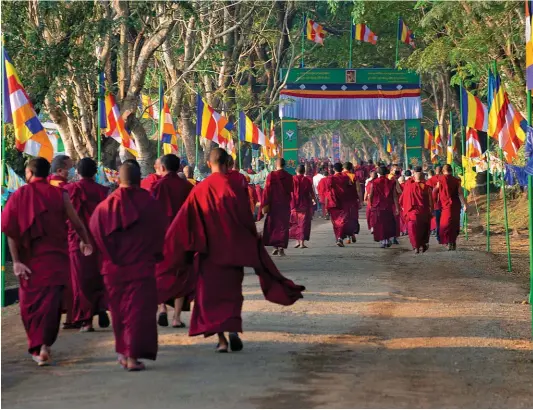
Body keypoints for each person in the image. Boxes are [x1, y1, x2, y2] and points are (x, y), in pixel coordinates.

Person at [157, 148, 305, 352]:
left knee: (212, 296)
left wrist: (171, 251)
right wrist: (251, 244)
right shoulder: (233, 187)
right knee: (232, 294)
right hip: (233, 253)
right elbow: (246, 220)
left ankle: (222, 341)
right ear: (227, 163)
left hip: (209, 255)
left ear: (209, 164)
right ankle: (233, 329)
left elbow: (184, 223)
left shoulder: (201, 189)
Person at [1, 158, 93, 366]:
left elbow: (10, 231)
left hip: (29, 263)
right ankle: (44, 346)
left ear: (29, 173)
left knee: (30, 307)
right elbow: (77, 222)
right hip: (55, 260)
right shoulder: (59, 194)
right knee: (51, 306)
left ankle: (37, 346)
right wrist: (86, 242)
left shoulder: (18, 197)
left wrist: (15, 261)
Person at [90, 160, 167, 371]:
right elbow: (161, 230)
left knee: (119, 312)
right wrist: (154, 254)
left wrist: (109, 255)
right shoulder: (150, 203)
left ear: (119, 179)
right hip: (141, 267)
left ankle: (123, 353)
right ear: (139, 178)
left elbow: (95, 231)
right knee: (138, 312)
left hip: (113, 268)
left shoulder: (106, 205)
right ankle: (132, 356)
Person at [65, 158, 110, 332]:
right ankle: (99, 306)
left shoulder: (70, 190)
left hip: (78, 241)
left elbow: (70, 219)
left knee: (81, 281)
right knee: (98, 277)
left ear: (77, 172)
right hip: (99, 240)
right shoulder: (103, 191)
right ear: (95, 172)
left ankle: (86, 320)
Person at [152, 154, 193, 329]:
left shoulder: (157, 186)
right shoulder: (187, 187)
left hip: (161, 237)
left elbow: (150, 212)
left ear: (162, 168)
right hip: (182, 237)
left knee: (160, 274)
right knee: (181, 276)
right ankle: (176, 318)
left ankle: (162, 308)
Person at [48, 155, 77, 329]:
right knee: (69, 280)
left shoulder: (41, 186)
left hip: (44, 242)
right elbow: (74, 218)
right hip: (65, 238)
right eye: (70, 167)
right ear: (60, 170)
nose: (72, 171)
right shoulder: (66, 189)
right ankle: (70, 318)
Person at [262, 158, 293, 256]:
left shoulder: (271, 175)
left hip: (273, 205)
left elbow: (267, 191)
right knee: (283, 226)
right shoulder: (289, 176)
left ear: (276, 164)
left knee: (274, 226)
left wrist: (264, 203)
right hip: (284, 205)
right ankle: (281, 248)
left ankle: (275, 247)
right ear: (285, 165)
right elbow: (290, 190)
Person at [400, 167, 433, 253]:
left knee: (412, 230)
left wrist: (404, 208)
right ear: (423, 178)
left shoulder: (409, 187)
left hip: (412, 212)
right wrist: (431, 211)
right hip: (424, 212)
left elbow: (402, 199)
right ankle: (423, 244)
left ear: (414, 177)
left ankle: (416, 247)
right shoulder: (427, 187)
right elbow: (430, 200)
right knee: (424, 229)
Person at [434, 164, 466, 250]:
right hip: (455, 205)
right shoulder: (456, 180)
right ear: (451, 171)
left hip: (445, 206)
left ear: (443, 171)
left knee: (446, 224)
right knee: (454, 224)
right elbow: (460, 193)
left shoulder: (440, 180)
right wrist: (464, 204)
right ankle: (453, 242)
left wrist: (434, 201)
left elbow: (435, 191)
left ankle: (448, 243)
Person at [368, 166, 399, 248]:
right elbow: (395, 196)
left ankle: (383, 241)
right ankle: (387, 239)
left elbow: (370, 195)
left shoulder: (374, 182)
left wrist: (370, 205)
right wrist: (397, 208)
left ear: (378, 173)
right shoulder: (391, 182)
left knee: (380, 224)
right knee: (388, 223)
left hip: (377, 206)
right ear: (387, 173)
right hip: (388, 206)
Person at [326, 163, 355, 247]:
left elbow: (327, 191)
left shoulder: (330, 178)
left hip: (333, 202)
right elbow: (350, 188)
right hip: (344, 202)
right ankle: (339, 238)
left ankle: (338, 237)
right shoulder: (346, 177)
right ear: (341, 169)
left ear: (334, 169)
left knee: (335, 222)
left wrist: (326, 205)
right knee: (342, 220)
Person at [289, 165, 316, 249]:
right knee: (303, 223)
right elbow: (311, 192)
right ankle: (302, 243)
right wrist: (314, 199)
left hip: (294, 204)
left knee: (295, 223)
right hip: (304, 204)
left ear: (295, 171)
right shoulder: (307, 180)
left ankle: (297, 242)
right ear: (304, 172)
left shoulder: (292, 179)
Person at [342, 162, 362, 244]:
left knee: (345, 218)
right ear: (351, 169)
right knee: (353, 217)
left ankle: (348, 237)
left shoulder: (340, 176)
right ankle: (352, 234)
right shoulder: (353, 176)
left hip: (343, 201)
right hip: (353, 200)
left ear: (343, 168)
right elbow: (358, 189)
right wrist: (360, 201)